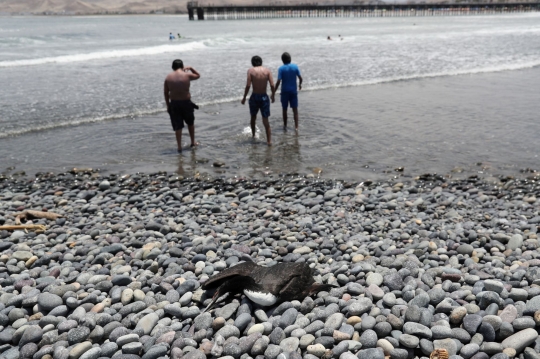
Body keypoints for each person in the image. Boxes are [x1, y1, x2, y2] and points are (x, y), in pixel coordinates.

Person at [164, 59, 200, 152]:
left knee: (178, 126)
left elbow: (166, 93)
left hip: (174, 104)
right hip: (186, 103)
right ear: (182, 66)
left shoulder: (168, 77)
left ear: (173, 67)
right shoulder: (187, 75)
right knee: (190, 123)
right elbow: (198, 75)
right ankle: (192, 142)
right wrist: (191, 68)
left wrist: (168, 106)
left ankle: (179, 146)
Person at [241, 55, 275, 146]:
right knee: (265, 120)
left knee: (253, 117)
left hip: (254, 97)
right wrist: (273, 95)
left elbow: (248, 85)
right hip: (264, 97)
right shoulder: (267, 71)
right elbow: (272, 85)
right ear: (261, 62)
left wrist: (244, 97)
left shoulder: (251, 71)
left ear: (252, 63)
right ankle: (269, 141)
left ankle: (253, 135)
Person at [272, 52, 303, 131]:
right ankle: (296, 127)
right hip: (293, 91)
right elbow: (300, 78)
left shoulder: (281, 68)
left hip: (284, 91)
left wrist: (273, 92)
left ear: (282, 60)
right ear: (290, 59)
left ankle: (285, 126)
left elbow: (278, 81)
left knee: (284, 109)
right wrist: (300, 85)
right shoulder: (295, 67)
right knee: (295, 110)